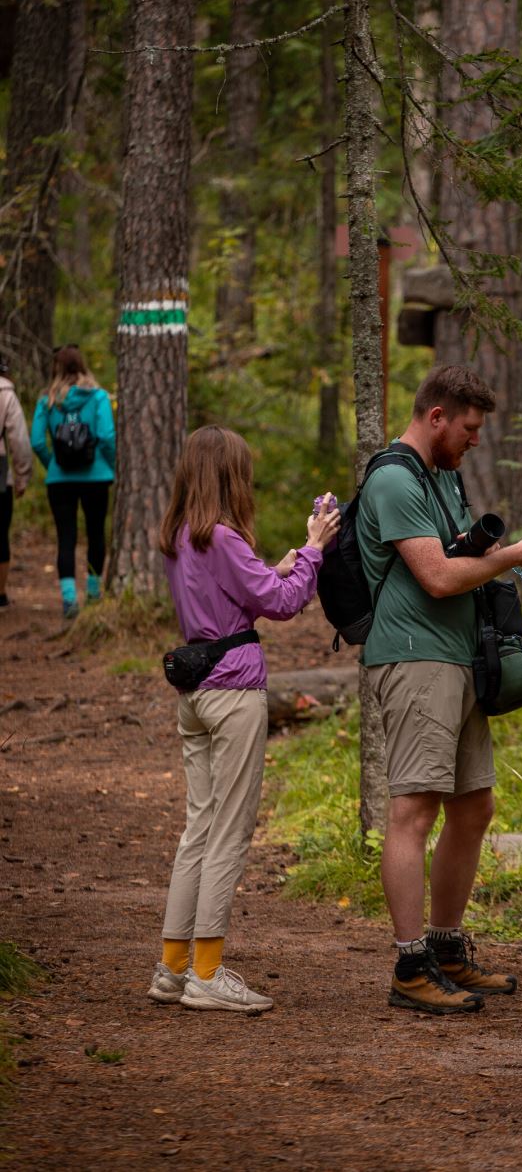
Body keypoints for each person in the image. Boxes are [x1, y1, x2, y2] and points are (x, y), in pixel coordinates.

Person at [357, 365, 522, 1015]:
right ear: (437, 415)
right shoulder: (394, 479)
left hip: (457, 660)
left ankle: (447, 950)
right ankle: (410, 964)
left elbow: (458, 560)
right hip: (416, 660)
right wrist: (513, 555)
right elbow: (440, 577)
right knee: (413, 811)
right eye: (469, 428)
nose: (476, 440)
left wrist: (499, 555)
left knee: (473, 809)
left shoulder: (441, 475)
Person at [149, 425, 340, 1014]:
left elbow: (243, 595)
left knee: (198, 830)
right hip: (234, 695)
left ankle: (173, 967)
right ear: (231, 476)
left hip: (195, 695)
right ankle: (207, 973)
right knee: (228, 832)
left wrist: (281, 564)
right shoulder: (225, 538)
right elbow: (278, 605)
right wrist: (313, 549)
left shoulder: (181, 537)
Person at [30, 345, 116, 618]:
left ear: (55, 367)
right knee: (95, 534)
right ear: (82, 365)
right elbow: (106, 436)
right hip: (97, 477)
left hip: (60, 481)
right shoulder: (99, 397)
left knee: (65, 537)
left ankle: (69, 600)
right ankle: (92, 594)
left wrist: (52, 464)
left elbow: (36, 442)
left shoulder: (47, 400)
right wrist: (110, 465)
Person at [0, 354, 33, 607]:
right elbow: (19, 439)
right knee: (1, 533)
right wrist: (22, 476)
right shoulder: (6, 395)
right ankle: (0, 594)